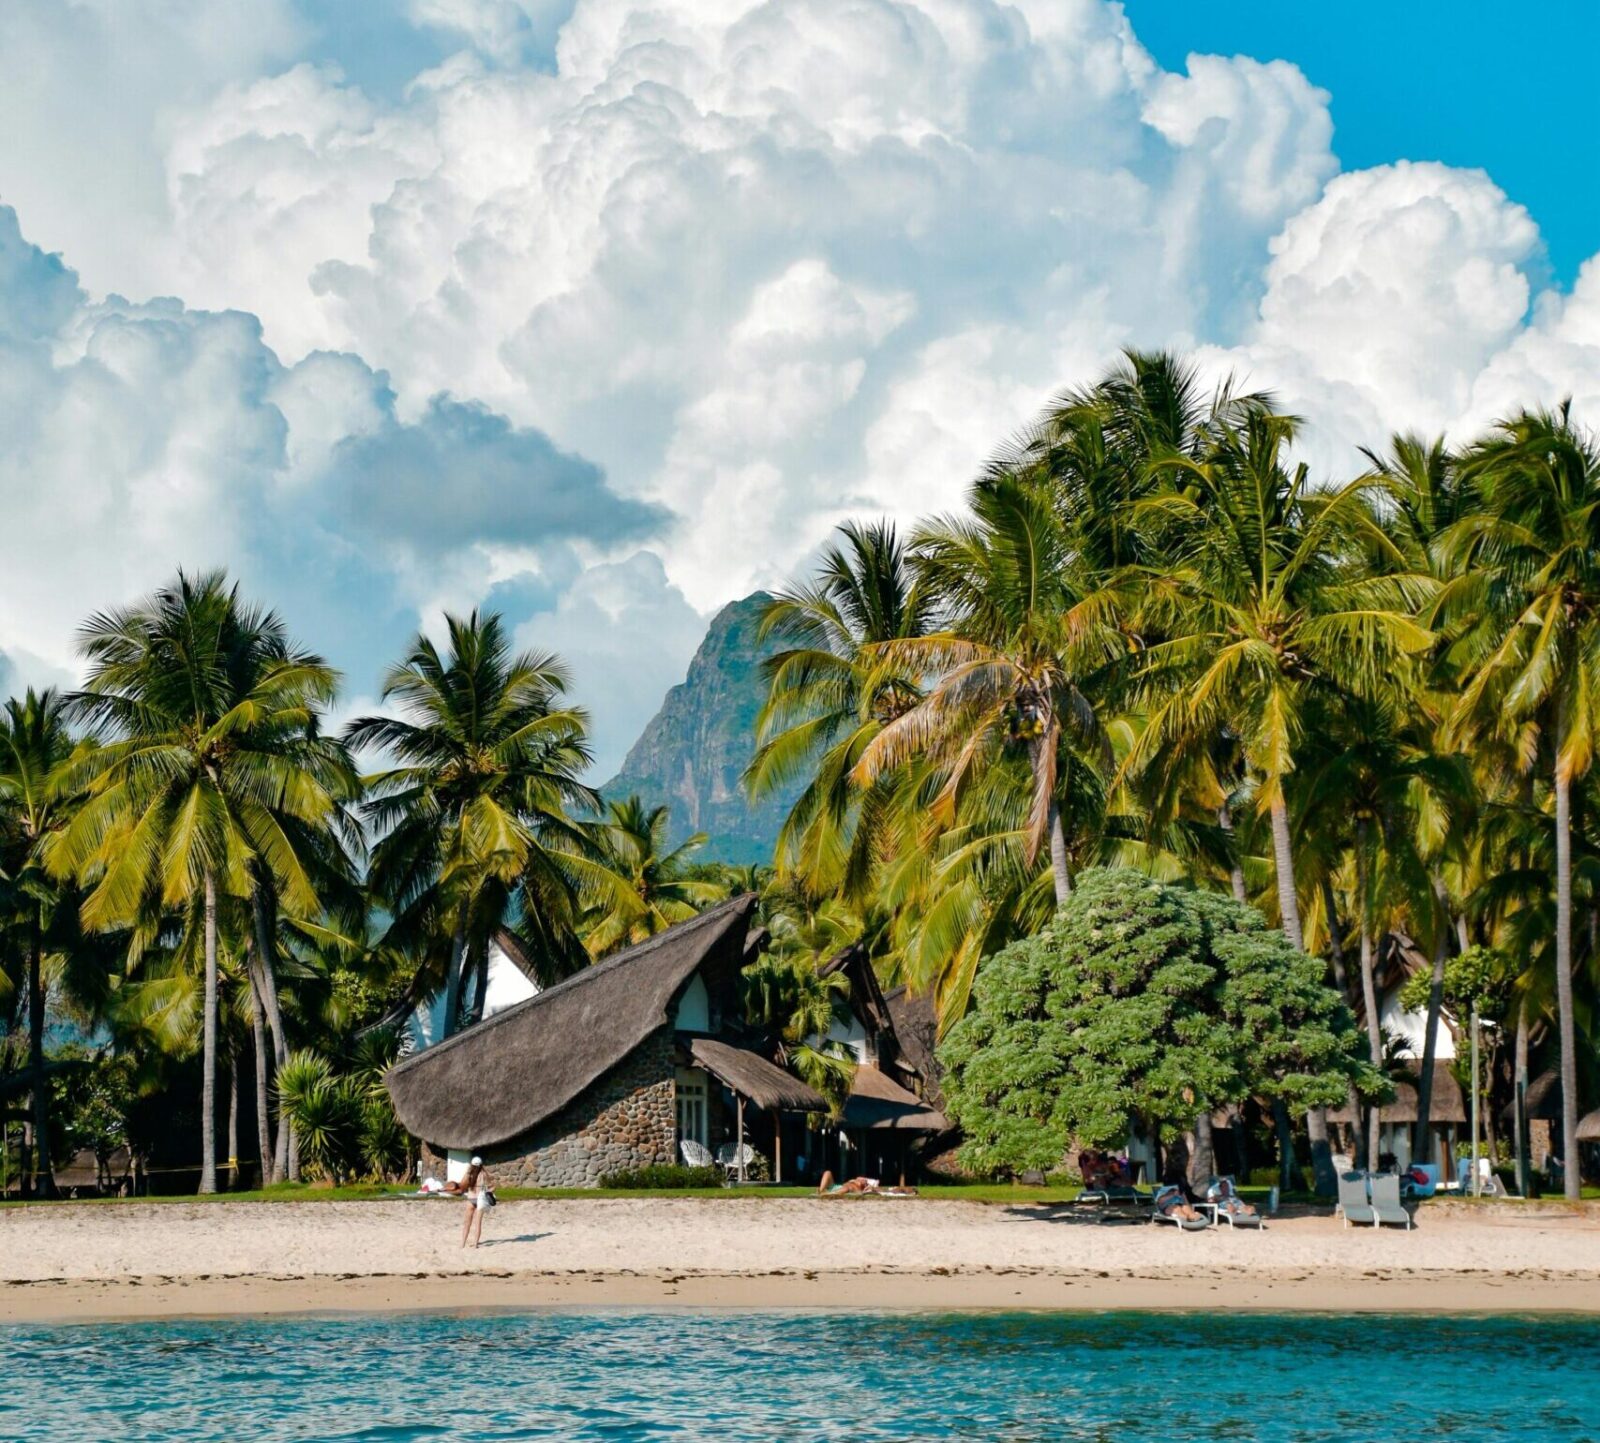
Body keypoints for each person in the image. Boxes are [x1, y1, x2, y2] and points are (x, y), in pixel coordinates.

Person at [458, 1156, 495, 1247]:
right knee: (478, 1223)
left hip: (471, 1199)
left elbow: (462, 1185)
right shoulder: (484, 1174)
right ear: (481, 1165)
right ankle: (475, 1244)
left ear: (472, 1164)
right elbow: (493, 1187)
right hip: (480, 1199)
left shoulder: (469, 1174)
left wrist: (467, 1172)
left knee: (467, 1223)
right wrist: (487, 1192)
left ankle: (462, 1243)